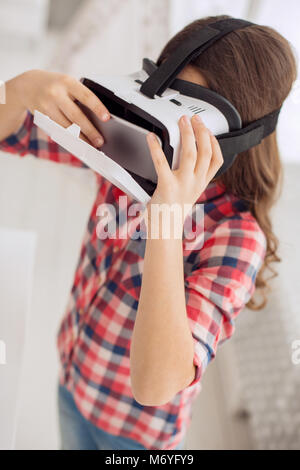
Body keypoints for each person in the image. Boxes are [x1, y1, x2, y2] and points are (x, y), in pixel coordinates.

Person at [0, 15, 297, 450]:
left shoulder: (236, 237)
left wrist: (166, 223)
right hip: (73, 377)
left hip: (137, 438)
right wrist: (21, 87)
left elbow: (156, 385)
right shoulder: (130, 155)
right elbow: (13, 134)